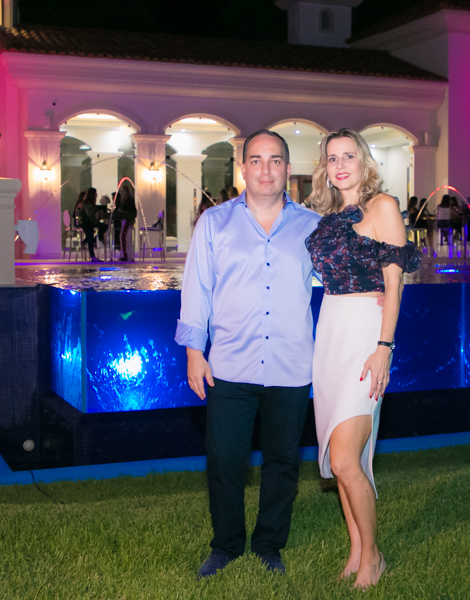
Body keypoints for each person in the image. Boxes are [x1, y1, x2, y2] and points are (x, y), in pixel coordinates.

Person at [176, 130, 321, 579]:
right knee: (224, 461)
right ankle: (226, 546)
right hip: (229, 365)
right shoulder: (214, 223)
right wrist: (194, 351)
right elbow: (197, 288)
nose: (265, 169)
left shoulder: (313, 226)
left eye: (275, 160)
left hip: (291, 365)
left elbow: (339, 285)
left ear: (287, 169)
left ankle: (268, 544)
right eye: (256, 160)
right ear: (243, 169)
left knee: (283, 462)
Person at [305, 129, 420, 589]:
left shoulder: (384, 206)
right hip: (330, 332)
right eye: (332, 158)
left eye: (348, 156)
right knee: (339, 461)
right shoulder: (327, 218)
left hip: (365, 336)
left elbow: (394, 286)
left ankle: (374, 557)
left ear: (364, 162)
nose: (340, 165)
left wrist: (384, 348)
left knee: (346, 459)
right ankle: (355, 551)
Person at [77, 187, 108, 262]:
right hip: (85, 222)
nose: (96, 194)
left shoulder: (91, 203)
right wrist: (98, 213)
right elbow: (90, 214)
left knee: (104, 227)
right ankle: (92, 255)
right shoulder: (87, 203)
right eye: (95, 193)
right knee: (90, 234)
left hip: (91, 222)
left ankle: (91, 241)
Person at [114, 183, 137, 261]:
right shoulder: (121, 201)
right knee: (124, 237)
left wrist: (123, 212)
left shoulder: (129, 201)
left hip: (127, 220)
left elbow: (132, 212)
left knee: (124, 237)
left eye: (123, 191)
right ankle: (125, 254)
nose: (122, 193)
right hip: (123, 220)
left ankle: (126, 255)